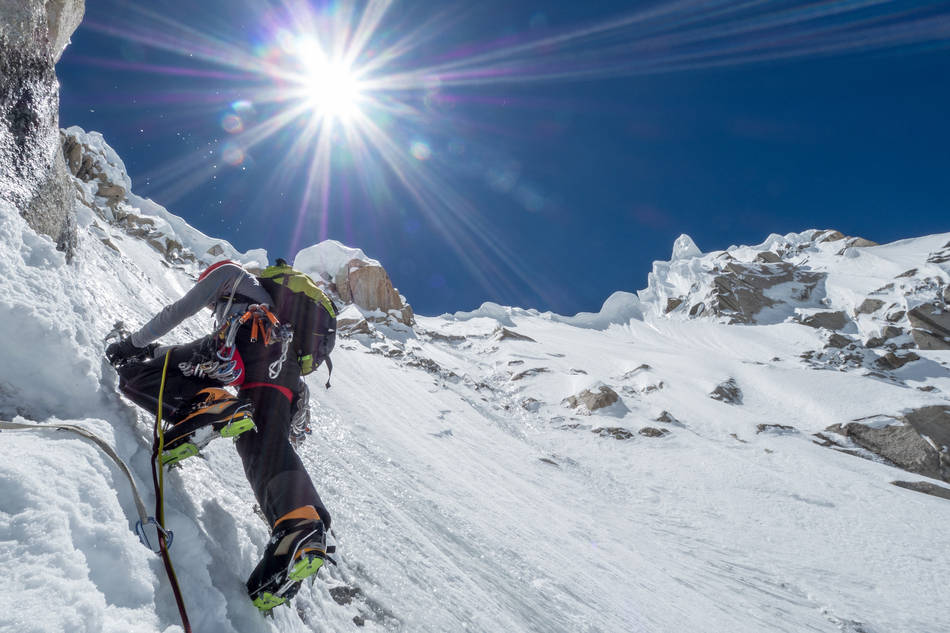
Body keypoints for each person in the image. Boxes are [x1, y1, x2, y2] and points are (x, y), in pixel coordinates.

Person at [105, 259, 332, 611]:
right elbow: (194, 354)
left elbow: (177, 311)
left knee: (136, 378)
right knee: (263, 444)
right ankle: (298, 525)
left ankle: (206, 405)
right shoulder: (278, 311)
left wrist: (133, 346)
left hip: (251, 342)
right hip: (283, 371)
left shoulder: (230, 276)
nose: (212, 306)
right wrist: (158, 353)